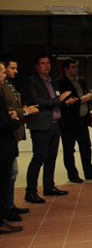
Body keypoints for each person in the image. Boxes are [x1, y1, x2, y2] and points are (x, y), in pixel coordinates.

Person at [24, 54, 77, 203]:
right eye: (43, 63)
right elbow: (36, 101)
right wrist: (58, 100)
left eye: (48, 63)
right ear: (37, 66)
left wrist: (65, 102)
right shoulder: (32, 81)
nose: (46, 66)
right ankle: (30, 192)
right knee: (38, 158)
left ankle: (49, 186)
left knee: (51, 158)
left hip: (55, 124)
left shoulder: (53, 82)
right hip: (41, 125)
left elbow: (57, 101)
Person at [0, 60, 38, 221]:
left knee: (11, 173)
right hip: (5, 136)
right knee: (9, 173)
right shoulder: (2, 88)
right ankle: (5, 209)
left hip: (10, 135)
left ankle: (8, 205)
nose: (15, 71)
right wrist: (23, 112)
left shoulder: (9, 85)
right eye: (11, 68)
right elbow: (7, 111)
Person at [58, 58, 92, 184]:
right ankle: (72, 175)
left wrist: (90, 98)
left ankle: (89, 172)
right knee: (69, 150)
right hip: (69, 122)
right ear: (66, 69)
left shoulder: (80, 81)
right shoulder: (61, 83)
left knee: (86, 147)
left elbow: (84, 96)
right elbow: (64, 103)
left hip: (82, 120)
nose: (76, 69)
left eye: (76, 67)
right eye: (73, 67)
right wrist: (82, 99)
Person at [0, 89, 23, 234]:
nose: (3, 78)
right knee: (3, 183)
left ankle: (6, 210)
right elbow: (4, 125)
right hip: (3, 148)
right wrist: (15, 120)